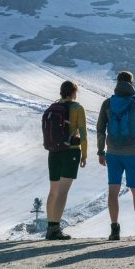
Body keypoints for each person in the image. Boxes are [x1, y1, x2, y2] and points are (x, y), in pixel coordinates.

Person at [97, 71, 135, 241]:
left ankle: (114, 231)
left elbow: (100, 129)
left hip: (113, 153)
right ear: (132, 83)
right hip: (132, 154)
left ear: (117, 83)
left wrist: (101, 151)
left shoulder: (107, 104)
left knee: (112, 192)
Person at [43, 80, 87, 240]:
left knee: (53, 191)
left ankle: (50, 226)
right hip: (71, 152)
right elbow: (83, 132)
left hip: (53, 152)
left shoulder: (53, 107)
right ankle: (55, 229)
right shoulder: (77, 108)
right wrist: (85, 155)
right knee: (63, 191)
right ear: (74, 92)